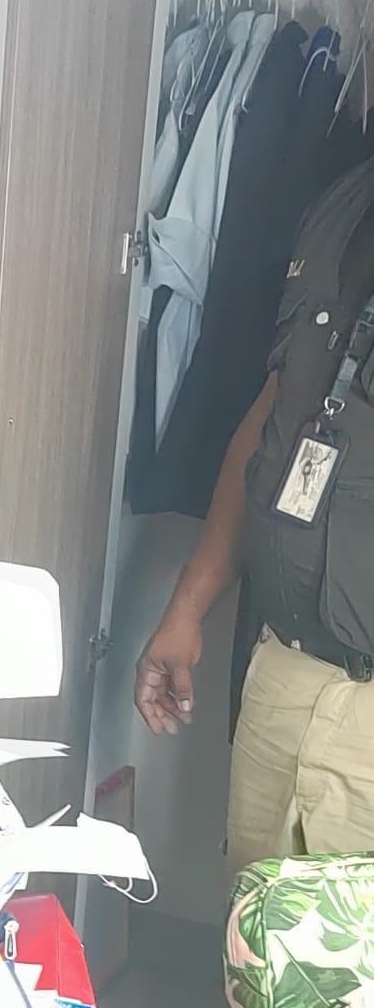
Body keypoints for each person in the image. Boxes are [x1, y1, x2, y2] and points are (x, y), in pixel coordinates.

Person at [135, 159, 374, 873]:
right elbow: (276, 416)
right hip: (282, 677)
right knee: (254, 938)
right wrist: (188, 605)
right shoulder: (343, 200)